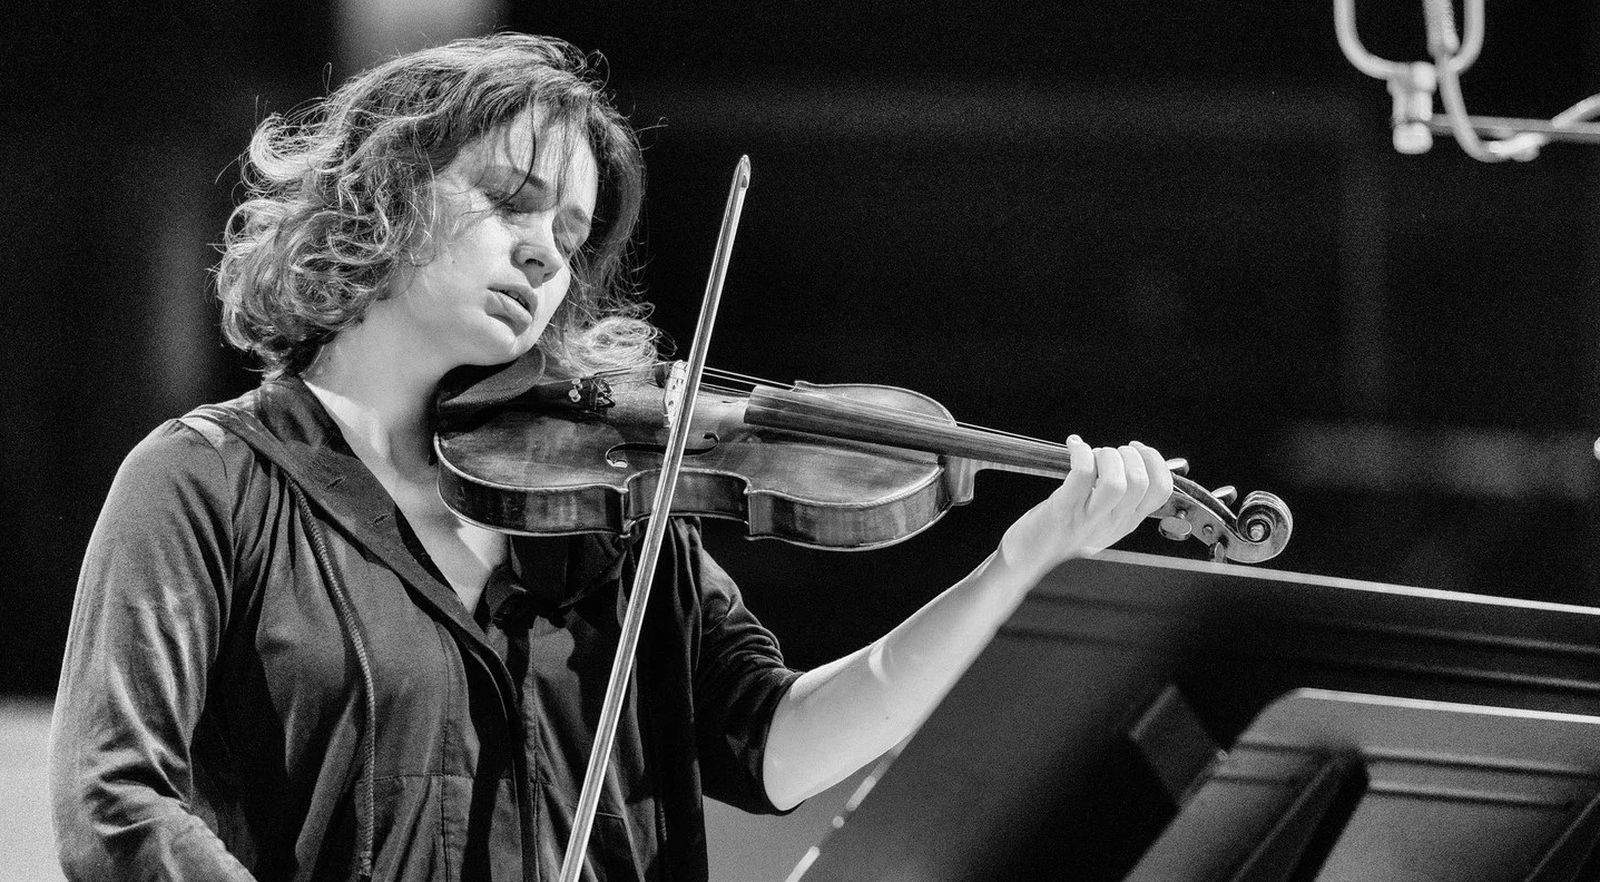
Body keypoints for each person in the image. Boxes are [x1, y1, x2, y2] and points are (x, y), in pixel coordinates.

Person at [48, 32, 1173, 882]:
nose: (544, 252)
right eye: (511, 201)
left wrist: (1014, 570)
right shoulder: (203, 483)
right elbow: (116, 805)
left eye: (572, 236)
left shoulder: (606, 503)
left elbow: (779, 746)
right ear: (383, 190)